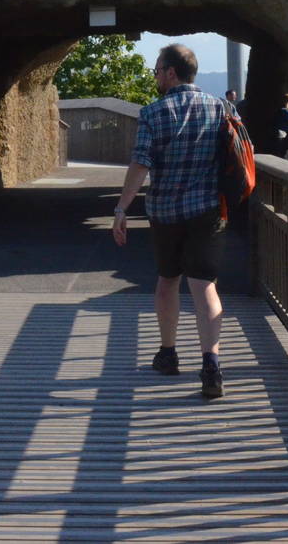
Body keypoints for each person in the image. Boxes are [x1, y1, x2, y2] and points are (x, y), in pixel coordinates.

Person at [111, 43, 229, 399]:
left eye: (157, 69)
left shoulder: (153, 112)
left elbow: (141, 162)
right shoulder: (221, 107)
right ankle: (211, 365)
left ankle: (168, 353)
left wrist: (121, 209)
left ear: (170, 72)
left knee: (168, 281)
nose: (155, 75)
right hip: (207, 209)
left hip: (165, 212)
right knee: (205, 286)